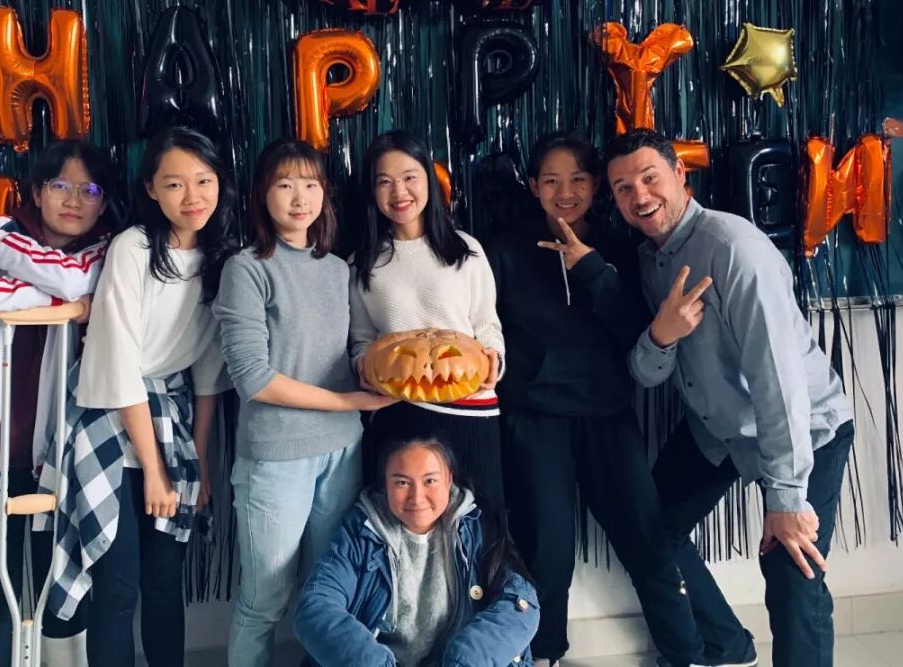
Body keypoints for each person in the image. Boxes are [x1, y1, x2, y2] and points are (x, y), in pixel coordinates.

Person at [606, 128, 855, 667]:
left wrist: (785, 496)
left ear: (681, 174)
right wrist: (661, 335)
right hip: (718, 429)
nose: (640, 196)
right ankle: (725, 646)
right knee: (650, 526)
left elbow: (777, 378)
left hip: (803, 424)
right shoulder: (649, 259)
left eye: (650, 178)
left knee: (792, 569)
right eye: (623, 188)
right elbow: (647, 375)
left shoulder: (733, 248)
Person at [485, 132, 711, 667]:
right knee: (548, 549)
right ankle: (544, 653)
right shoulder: (503, 249)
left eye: (579, 179)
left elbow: (637, 331)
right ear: (533, 186)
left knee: (646, 539)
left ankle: (686, 654)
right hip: (535, 417)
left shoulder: (622, 245)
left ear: (595, 186)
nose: (565, 192)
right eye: (551, 181)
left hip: (608, 414)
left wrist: (591, 268)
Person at [41, 126, 237, 667]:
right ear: (151, 189)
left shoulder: (224, 255)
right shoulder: (133, 248)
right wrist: (153, 471)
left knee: (165, 580)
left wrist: (199, 462)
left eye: (203, 180)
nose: (192, 196)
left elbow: (208, 372)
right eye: (174, 184)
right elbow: (120, 364)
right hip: (109, 417)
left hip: (171, 422)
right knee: (118, 582)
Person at [0, 139, 116, 667]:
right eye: (60, 186)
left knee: (63, 597)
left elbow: (73, 277)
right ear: (36, 192)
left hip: (58, 455)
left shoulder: (103, 250)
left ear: (103, 202)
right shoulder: (1, 234)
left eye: (89, 190)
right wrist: (52, 301)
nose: (73, 200)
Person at [213, 138, 395, 667]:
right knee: (264, 599)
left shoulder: (338, 269)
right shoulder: (246, 269)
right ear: (262, 194)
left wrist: (381, 371)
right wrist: (349, 402)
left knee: (327, 599)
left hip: (343, 451)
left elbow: (351, 348)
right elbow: (254, 379)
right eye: (285, 184)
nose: (300, 198)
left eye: (311, 184)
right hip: (276, 455)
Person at [350, 131, 506, 510]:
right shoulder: (363, 262)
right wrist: (362, 367)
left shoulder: (466, 249)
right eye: (384, 182)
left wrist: (493, 361)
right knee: (405, 525)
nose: (399, 192)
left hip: (470, 407)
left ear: (429, 180)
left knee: (480, 523)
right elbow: (361, 339)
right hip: (397, 409)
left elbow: (487, 326)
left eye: (410, 177)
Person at [294, 436, 539, 667]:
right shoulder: (360, 531)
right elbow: (315, 605)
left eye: (430, 481)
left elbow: (520, 604)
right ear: (386, 484)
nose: (417, 497)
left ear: (449, 479)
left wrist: (465, 662)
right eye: (402, 482)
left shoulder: (477, 525)